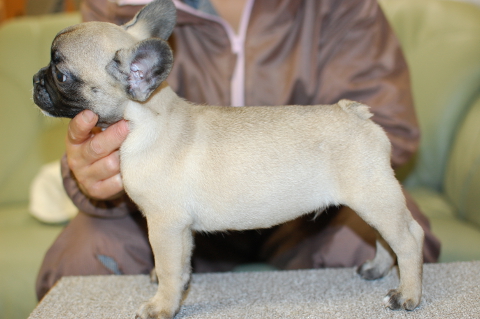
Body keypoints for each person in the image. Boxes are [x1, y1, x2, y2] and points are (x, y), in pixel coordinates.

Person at [36, 0, 441, 300]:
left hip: (300, 203)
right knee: (80, 259)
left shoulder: (343, 8)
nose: (53, 81)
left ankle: (401, 275)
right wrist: (85, 174)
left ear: (140, 73)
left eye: (62, 75)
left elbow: (389, 127)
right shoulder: (114, 12)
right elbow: (92, 129)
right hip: (160, 208)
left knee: (382, 225)